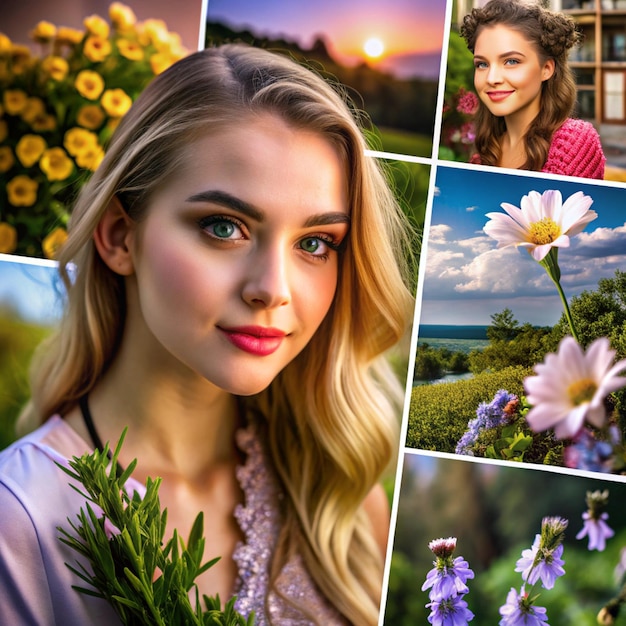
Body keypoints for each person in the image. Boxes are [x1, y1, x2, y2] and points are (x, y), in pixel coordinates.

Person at [0, 44, 415, 625]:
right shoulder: (20, 524)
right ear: (121, 236)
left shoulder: (337, 503)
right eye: (225, 228)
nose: (272, 289)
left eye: (315, 243)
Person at [460, 0, 605, 179]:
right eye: (482, 64)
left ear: (546, 69)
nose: (491, 79)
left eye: (511, 61)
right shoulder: (479, 160)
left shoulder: (575, 143)